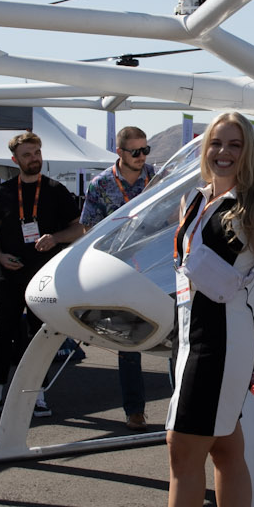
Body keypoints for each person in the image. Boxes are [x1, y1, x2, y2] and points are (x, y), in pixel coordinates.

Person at [124, 112, 254, 507]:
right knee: (224, 451)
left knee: (182, 450)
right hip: (192, 338)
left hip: (223, 343)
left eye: (235, 145)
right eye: (216, 143)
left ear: (250, 152)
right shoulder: (194, 199)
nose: (223, 152)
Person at [0, 132, 84, 417]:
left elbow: (79, 228)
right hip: (9, 274)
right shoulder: (3, 192)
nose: (34, 158)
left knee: (40, 335)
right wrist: (0, 256)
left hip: (45, 276)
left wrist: (56, 238)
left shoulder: (56, 190)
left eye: (36, 152)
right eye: (27, 155)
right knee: (2, 332)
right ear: (15, 160)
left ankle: (38, 395)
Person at [79, 124, 160, 427]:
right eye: (136, 151)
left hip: (160, 266)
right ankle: (134, 410)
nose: (142, 157)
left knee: (176, 339)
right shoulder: (100, 185)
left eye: (145, 150)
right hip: (122, 271)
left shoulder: (158, 178)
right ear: (120, 152)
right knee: (129, 343)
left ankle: (182, 407)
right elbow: (89, 229)